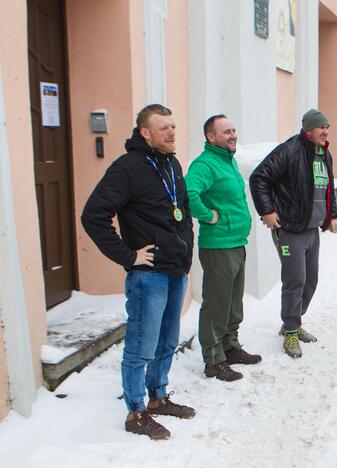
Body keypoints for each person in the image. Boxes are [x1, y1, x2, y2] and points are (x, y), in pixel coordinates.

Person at [81, 104, 195, 440]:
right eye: (164, 129)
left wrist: (186, 254)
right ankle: (136, 412)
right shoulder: (127, 168)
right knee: (141, 346)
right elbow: (93, 216)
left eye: (173, 126)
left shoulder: (171, 163)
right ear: (145, 133)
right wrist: (127, 256)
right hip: (148, 275)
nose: (172, 133)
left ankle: (158, 397)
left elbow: (183, 211)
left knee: (166, 341)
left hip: (175, 270)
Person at [249, 109, 337, 358]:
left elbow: (328, 186)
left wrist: (332, 215)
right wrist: (267, 210)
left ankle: (294, 322)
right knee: (295, 281)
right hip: (289, 228)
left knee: (311, 281)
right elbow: (259, 177)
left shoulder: (324, 154)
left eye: (327, 127)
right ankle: (290, 331)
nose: (325, 131)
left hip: (312, 229)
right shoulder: (289, 150)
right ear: (308, 130)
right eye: (321, 127)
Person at [185, 115, 260, 382]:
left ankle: (230, 347)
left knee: (233, 304)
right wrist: (208, 216)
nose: (233, 135)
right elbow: (188, 193)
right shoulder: (205, 165)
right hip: (218, 245)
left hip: (236, 242)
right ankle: (214, 360)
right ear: (211, 137)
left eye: (234, 130)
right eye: (226, 131)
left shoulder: (227, 161)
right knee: (217, 305)